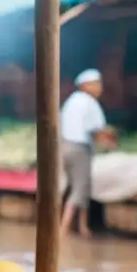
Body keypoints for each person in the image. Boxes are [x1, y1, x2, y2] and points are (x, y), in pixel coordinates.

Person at [60, 69, 108, 238]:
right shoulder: (90, 103)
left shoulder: (71, 101)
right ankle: (63, 229)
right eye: (96, 84)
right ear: (86, 85)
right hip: (80, 149)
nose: (99, 88)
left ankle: (83, 227)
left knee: (79, 186)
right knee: (80, 189)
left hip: (65, 147)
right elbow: (98, 131)